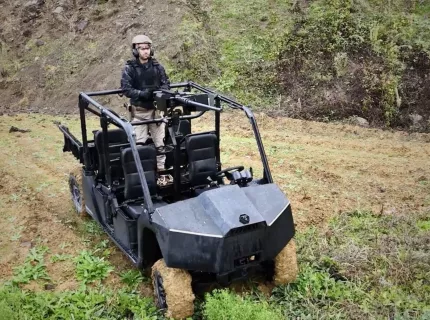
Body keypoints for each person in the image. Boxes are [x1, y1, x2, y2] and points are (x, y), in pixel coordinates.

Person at [120, 34, 170, 171]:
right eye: (142, 49)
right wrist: (142, 94)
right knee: (139, 145)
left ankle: (161, 170)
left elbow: (166, 84)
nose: (145, 51)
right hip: (139, 113)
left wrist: (159, 93)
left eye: (147, 48)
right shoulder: (129, 68)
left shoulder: (157, 67)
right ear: (136, 51)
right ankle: (142, 173)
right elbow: (126, 89)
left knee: (160, 144)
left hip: (156, 112)